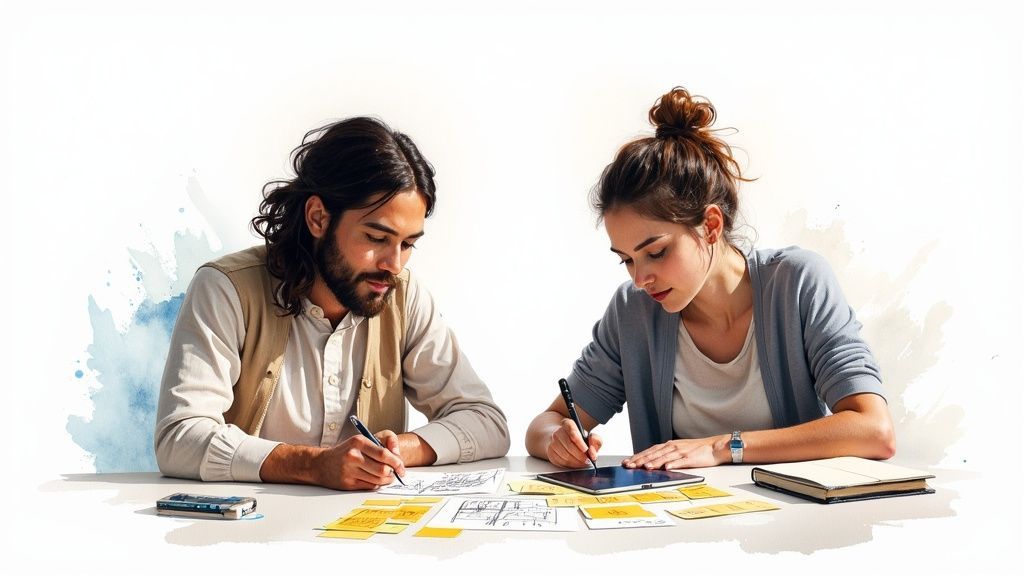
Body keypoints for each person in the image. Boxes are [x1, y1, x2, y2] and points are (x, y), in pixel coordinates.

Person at [526, 87, 895, 471]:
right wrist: (560, 440)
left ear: (711, 226)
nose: (640, 279)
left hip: (791, 524)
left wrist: (722, 447)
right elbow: (544, 424)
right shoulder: (632, 313)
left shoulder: (797, 284)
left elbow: (873, 430)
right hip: (679, 526)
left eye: (656, 252)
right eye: (627, 261)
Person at [155, 117, 509, 490]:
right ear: (318, 217)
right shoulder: (226, 289)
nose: (394, 264)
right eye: (376, 237)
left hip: (363, 539)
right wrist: (312, 465)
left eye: (408, 244)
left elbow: (486, 421)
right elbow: (179, 436)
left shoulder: (404, 296)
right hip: (249, 536)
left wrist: (394, 450)